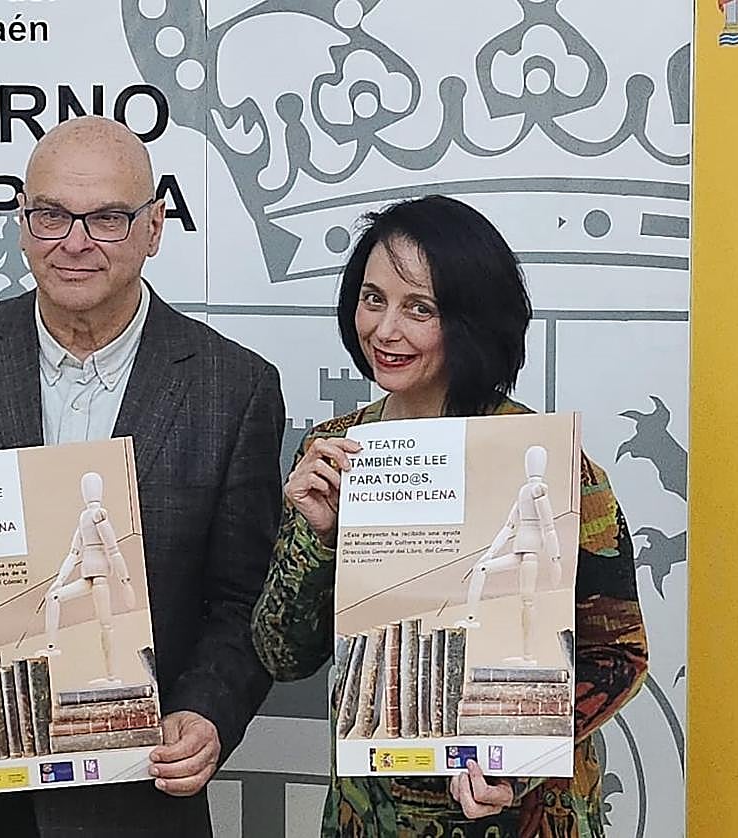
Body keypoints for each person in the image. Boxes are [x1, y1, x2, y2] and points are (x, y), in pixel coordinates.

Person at [0, 116, 285, 838]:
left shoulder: (233, 388)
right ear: (22, 222)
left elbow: (242, 600)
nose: (74, 242)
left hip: (125, 791)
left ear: (154, 228)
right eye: (51, 215)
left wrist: (207, 710)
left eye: (106, 218)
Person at [251, 195, 648, 838]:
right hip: (371, 816)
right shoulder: (334, 454)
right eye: (373, 299)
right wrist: (320, 537)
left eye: (420, 308)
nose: (385, 330)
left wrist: (512, 761)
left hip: (519, 815)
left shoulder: (549, 464)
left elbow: (618, 654)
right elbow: (282, 655)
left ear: (470, 320)